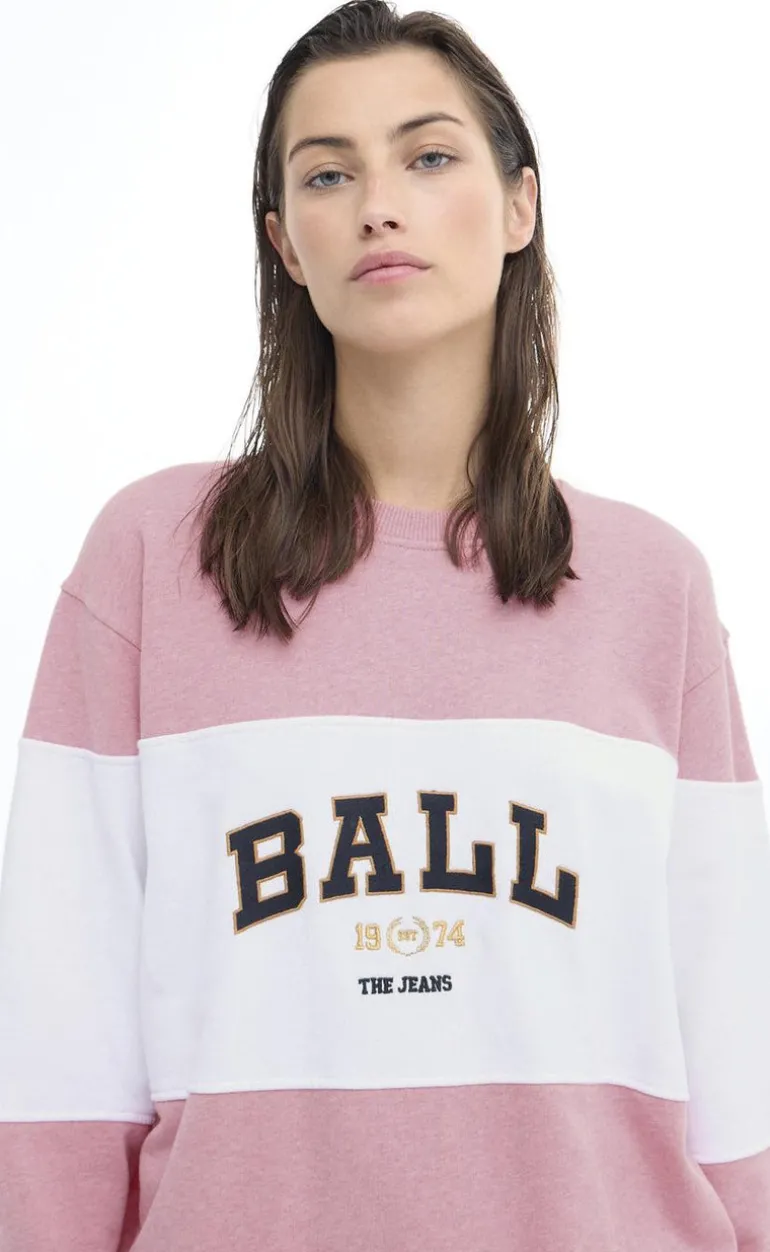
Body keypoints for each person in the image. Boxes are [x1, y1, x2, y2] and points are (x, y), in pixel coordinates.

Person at [1, 2, 769, 1249]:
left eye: (427, 156)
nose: (378, 206)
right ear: (283, 242)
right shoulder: (149, 559)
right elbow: (55, 1058)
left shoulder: (652, 587)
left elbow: (738, 1062)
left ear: (518, 206)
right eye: (327, 174)